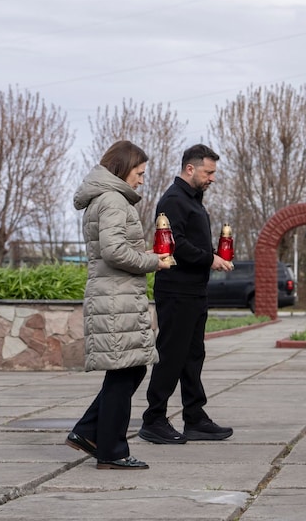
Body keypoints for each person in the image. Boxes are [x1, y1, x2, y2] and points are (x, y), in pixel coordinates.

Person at [65, 140, 173, 470]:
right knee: (125, 372)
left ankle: (87, 432)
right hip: (116, 297)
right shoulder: (113, 200)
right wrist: (155, 261)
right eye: (139, 173)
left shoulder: (107, 199)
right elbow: (114, 252)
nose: (141, 179)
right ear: (122, 169)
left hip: (116, 295)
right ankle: (111, 451)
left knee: (128, 370)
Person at [139, 144, 235, 444]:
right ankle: (153, 419)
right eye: (208, 172)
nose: (212, 178)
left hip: (194, 292)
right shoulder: (174, 200)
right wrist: (210, 258)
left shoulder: (193, 200)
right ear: (190, 169)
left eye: (214, 173)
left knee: (193, 356)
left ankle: (195, 418)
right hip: (176, 292)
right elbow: (173, 242)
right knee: (171, 355)